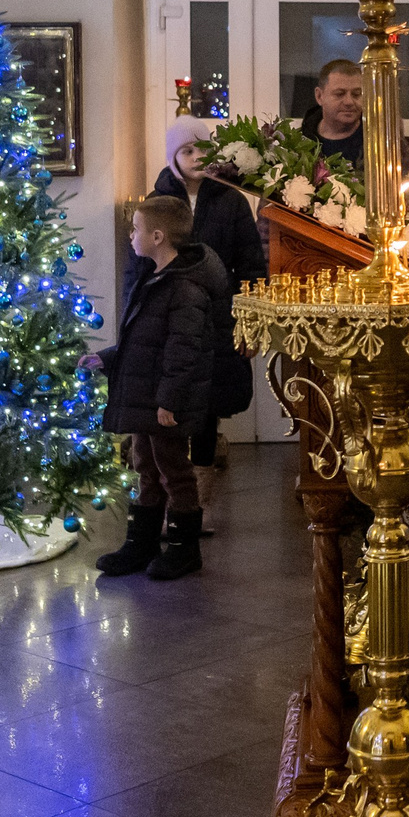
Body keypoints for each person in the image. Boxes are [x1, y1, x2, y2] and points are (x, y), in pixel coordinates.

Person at [93, 195, 230, 581]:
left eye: (135, 229)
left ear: (157, 236)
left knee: (173, 470)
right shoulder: (153, 277)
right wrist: (107, 358)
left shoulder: (185, 288)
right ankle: (141, 543)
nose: (131, 236)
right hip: (145, 395)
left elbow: (183, 351)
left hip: (163, 401)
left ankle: (185, 548)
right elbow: (144, 342)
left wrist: (169, 399)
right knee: (145, 467)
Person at [155, 116, 265, 482]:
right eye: (187, 150)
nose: (196, 157)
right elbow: (141, 265)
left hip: (219, 311)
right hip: (170, 313)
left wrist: (251, 322)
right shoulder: (159, 201)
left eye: (203, 148)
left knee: (209, 401)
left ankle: (200, 489)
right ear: (174, 156)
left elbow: (251, 263)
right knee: (172, 395)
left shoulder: (230, 200)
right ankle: (176, 489)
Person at [299, 59, 365, 168]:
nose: (349, 102)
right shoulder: (299, 144)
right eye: (340, 94)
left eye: (356, 94)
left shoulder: (379, 143)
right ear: (319, 96)